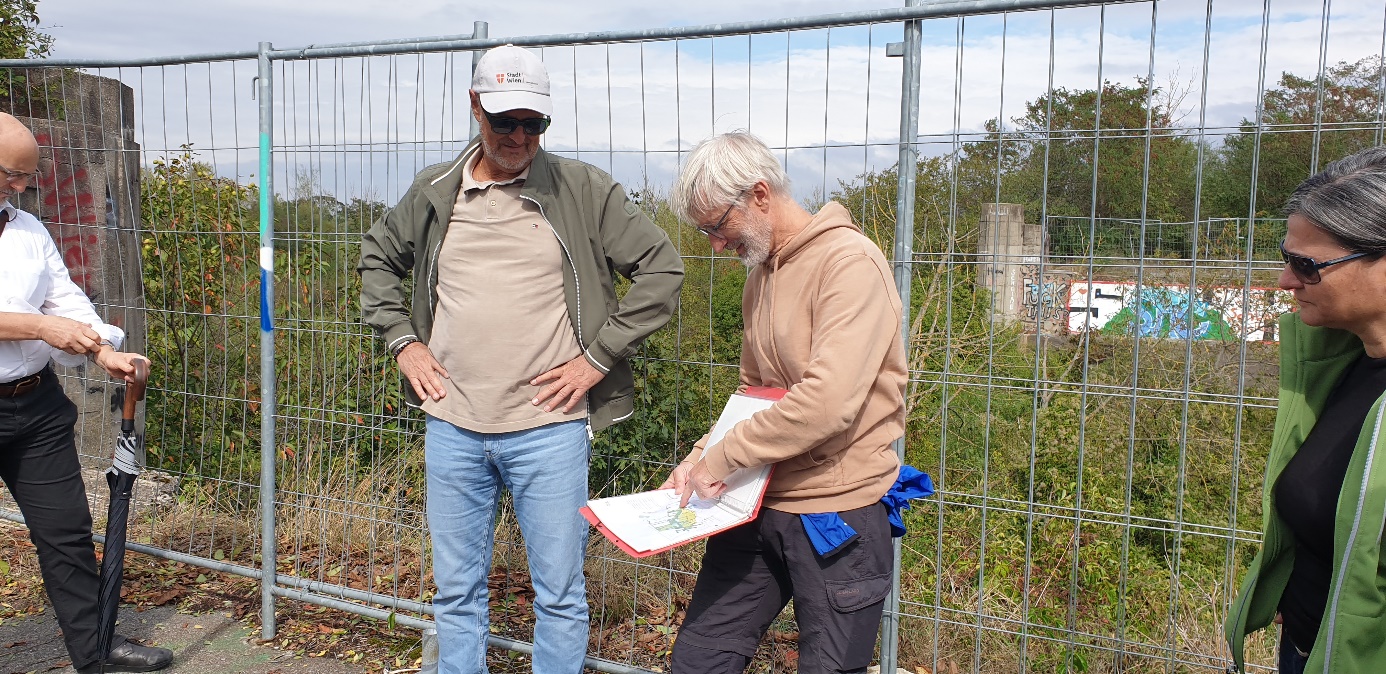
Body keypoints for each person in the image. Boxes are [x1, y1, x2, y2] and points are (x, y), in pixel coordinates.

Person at [357, 45, 683, 674]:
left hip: (550, 430)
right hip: (452, 424)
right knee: (456, 594)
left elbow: (662, 269)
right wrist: (404, 341)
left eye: (533, 123)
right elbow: (376, 259)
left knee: (559, 595)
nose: (518, 137)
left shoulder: (583, 190)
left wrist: (596, 359)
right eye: (505, 121)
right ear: (476, 107)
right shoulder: (433, 193)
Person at [660, 132, 907, 673]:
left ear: (760, 194)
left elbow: (827, 403)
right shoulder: (762, 274)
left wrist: (722, 458)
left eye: (717, 226)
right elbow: (756, 393)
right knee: (699, 660)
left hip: (834, 512)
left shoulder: (850, 265)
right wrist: (700, 454)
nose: (716, 245)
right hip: (756, 501)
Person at [0, 112, 171, 673]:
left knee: (67, 533)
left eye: (26, 177)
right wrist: (39, 329)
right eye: (10, 175)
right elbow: (44, 323)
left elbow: (64, 302)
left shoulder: (28, 231)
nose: (20, 188)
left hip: (35, 404)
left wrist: (102, 350)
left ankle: (95, 653)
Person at [1224, 146, 1386, 673]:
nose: (1285, 282)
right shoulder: (1344, 363)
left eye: (1307, 265)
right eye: (1286, 258)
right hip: (1306, 646)